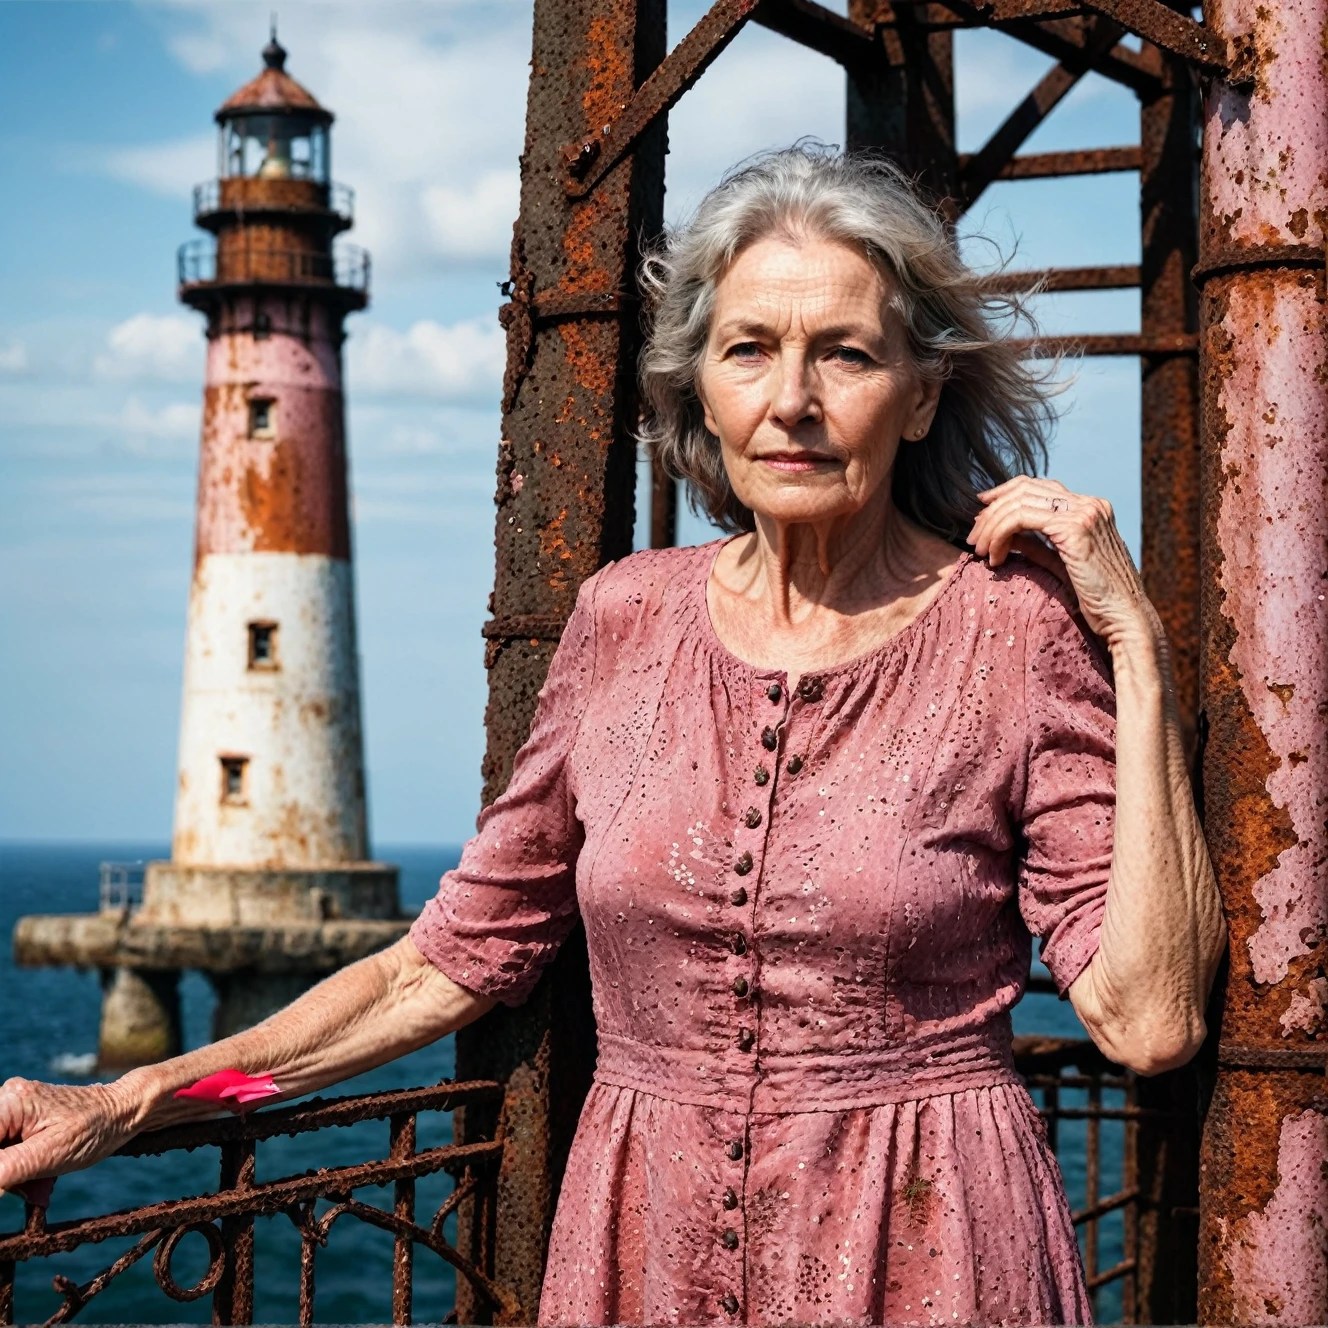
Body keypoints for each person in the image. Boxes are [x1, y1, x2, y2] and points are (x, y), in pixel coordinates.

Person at [0, 148, 1225, 1326]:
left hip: (932, 1245)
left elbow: (1147, 1017)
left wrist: (1139, 652)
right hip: (646, 1241)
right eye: (749, 350)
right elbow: (447, 959)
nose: (789, 400)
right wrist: (133, 1096)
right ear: (701, 384)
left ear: (919, 395)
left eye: (844, 354)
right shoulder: (622, 618)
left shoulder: (1009, 631)